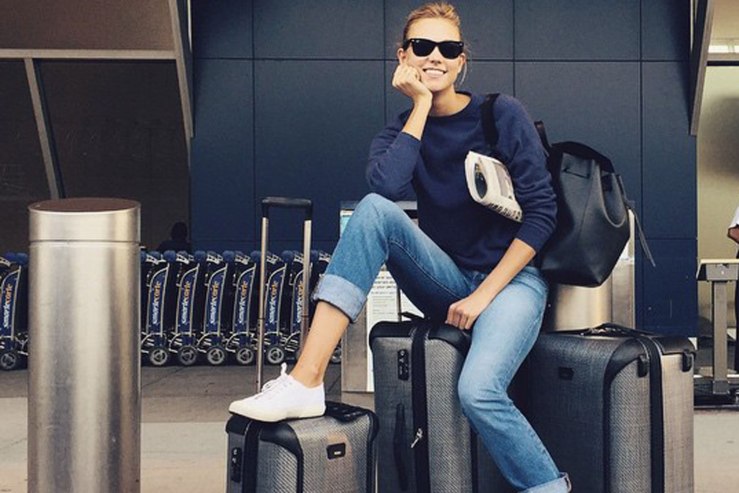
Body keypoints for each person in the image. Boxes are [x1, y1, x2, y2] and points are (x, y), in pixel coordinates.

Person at [229, 2, 569, 491]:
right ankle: (306, 379)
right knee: (372, 210)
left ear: (462, 61)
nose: (436, 56)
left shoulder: (501, 114)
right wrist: (421, 108)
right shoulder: (402, 131)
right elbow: (387, 188)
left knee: (478, 392)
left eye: (448, 48)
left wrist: (482, 297)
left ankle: (549, 487)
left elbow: (542, 215)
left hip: (511, 283)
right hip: (447, 278)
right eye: (422, 46)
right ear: (402, 56)